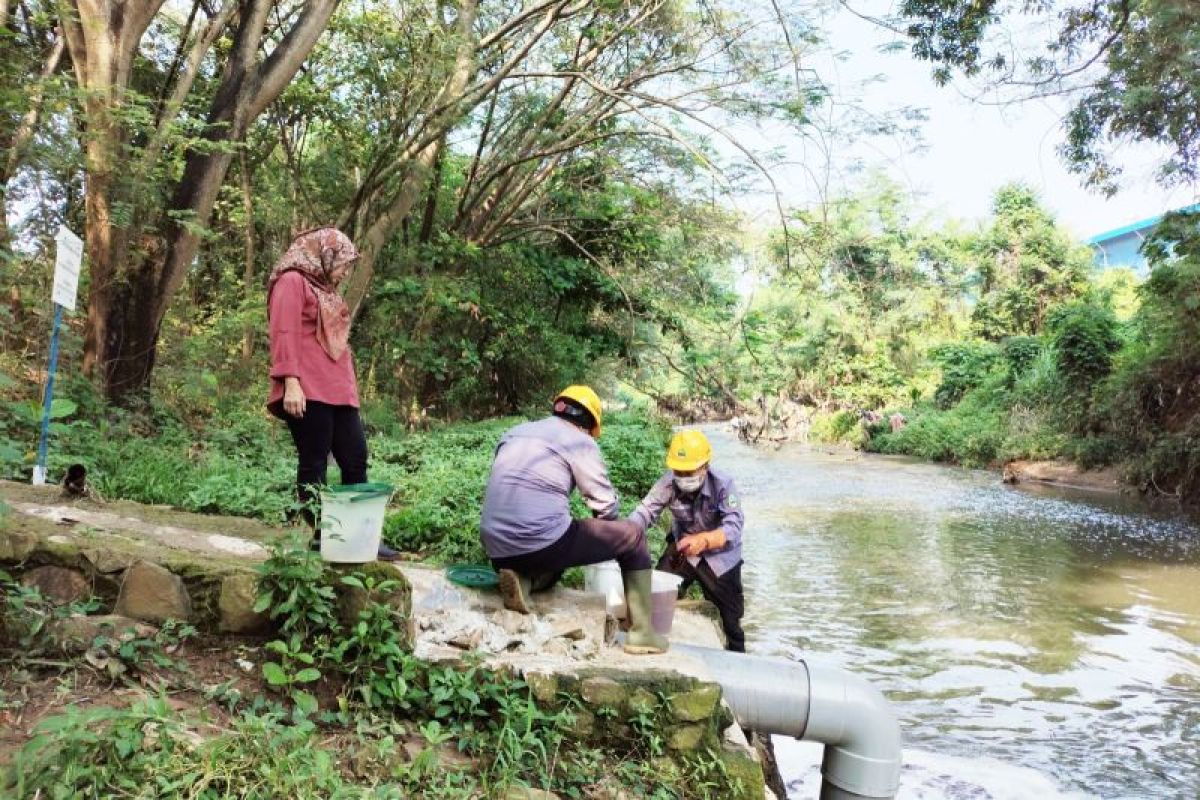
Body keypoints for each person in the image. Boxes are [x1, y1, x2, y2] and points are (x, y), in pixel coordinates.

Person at [480, 385, 667, 655]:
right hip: (541, 544)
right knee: (632, 536)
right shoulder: (579, 441)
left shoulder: (515, 432)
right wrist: (612, 536)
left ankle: (523, 581)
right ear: (589, 425)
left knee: (562, 540)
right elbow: (604, 508)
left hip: (496, 549)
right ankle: (642, 633)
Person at [266, 226, 398, 561]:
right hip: (307, 387)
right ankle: (318, 537)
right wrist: (290, 382)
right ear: (324, 255)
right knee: (314, 462)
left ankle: (360, 537)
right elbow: (284, 332)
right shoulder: (292, 281)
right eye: (343, 264)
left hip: (339, 390)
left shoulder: (326, 290)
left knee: (355, 458)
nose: (344, 272)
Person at [630, 430, 746, 652]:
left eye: (689, 471)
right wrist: (624, 534)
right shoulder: (667, 483)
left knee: (731, 621)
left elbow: (734, 526)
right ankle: (650, 643)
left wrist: (705, 539)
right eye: (679, 471)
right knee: (654, 599)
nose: (683, 477)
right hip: (682, 550)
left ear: (705, 465)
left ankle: (739, 662)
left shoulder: (723, 484)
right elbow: (646, 511)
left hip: (720, 560)